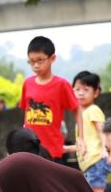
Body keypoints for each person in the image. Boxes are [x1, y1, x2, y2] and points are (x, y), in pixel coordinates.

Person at [20, 35, 84, 164]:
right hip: (30, 150)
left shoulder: (61, 85)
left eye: (40, 60)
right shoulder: (27, 83)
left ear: (52, 58)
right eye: (31, 61)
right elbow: (26, 114)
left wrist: (81, 138)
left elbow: (77, 109)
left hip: (52, 151)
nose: (35, 65)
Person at [63, 71, 111, 192]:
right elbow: (85, 144)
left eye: (86, 89)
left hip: (96, 161)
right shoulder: (81, 115)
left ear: (96, 92)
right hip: (89, 164)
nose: (81, 93)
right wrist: (65, 149)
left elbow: (102, 131)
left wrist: (105, 149)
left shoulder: (93, 110)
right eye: (77, 89)